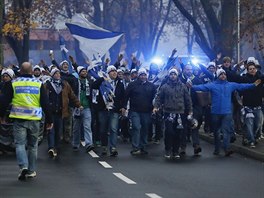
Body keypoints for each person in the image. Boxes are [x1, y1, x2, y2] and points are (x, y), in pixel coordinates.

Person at [0, 62, 53, 181]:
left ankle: (23, 166)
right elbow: (45, 103)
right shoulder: (39, 84)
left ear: (21, 72)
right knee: (32, 146)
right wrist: (50, 120)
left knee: (19, 144)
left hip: (19, 118)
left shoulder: (14, 83)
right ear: (31, 71)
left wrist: (1, 115)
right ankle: (31, 170)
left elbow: (4, 101)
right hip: (34, 119)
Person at [192, 68, 261, 156]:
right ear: (217, 76)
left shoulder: (230, 85)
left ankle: (226, 148)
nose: (223, 75)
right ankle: (217, 148)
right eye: (221, 74)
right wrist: (192, 86)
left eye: (224, 74)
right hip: (215, 112)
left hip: (227, 112)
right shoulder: (212, 85)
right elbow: (201, 87)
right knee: (216, 132)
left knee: (226, 131)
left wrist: (253, 85)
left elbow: (242, 86)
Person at [153, 68, 193, 159]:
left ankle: (175, 151)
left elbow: (188, 100)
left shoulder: (183, 86)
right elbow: (159, 98)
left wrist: (190, 111)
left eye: (174, 74)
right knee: (169, 132)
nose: (173, 76)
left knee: (178, 133)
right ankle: (168, 149)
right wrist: (156, 107)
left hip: (180, 113)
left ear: (177, 75)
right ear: (169, 75)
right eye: (171, 74)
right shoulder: (164, 87)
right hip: (168, 112)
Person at [44, 68, 81, 158]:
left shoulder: (64, 84)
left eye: (58, 73)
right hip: (50, 111)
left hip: (61, 111)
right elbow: (43, 96)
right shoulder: (47, 85)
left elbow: (71, 95)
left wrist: (78, 104)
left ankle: (56, 147)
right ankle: (51, 147)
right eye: (55, 73)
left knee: (58, 130)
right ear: (52, 75)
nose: (58, 75)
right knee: (51, 130)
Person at [125, 68, 156, 155]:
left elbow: (155, 98)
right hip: (135, 110)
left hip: (147, 111)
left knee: (145, 128)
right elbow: (126, 96)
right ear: (138, 76)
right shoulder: (132, 85)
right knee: (136, 127)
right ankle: (135, 147)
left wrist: (155, 107)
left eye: (144, 75)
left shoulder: (151, 86)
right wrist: (124, 107)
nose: (143, 76)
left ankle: (143, 146)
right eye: (141, 75)